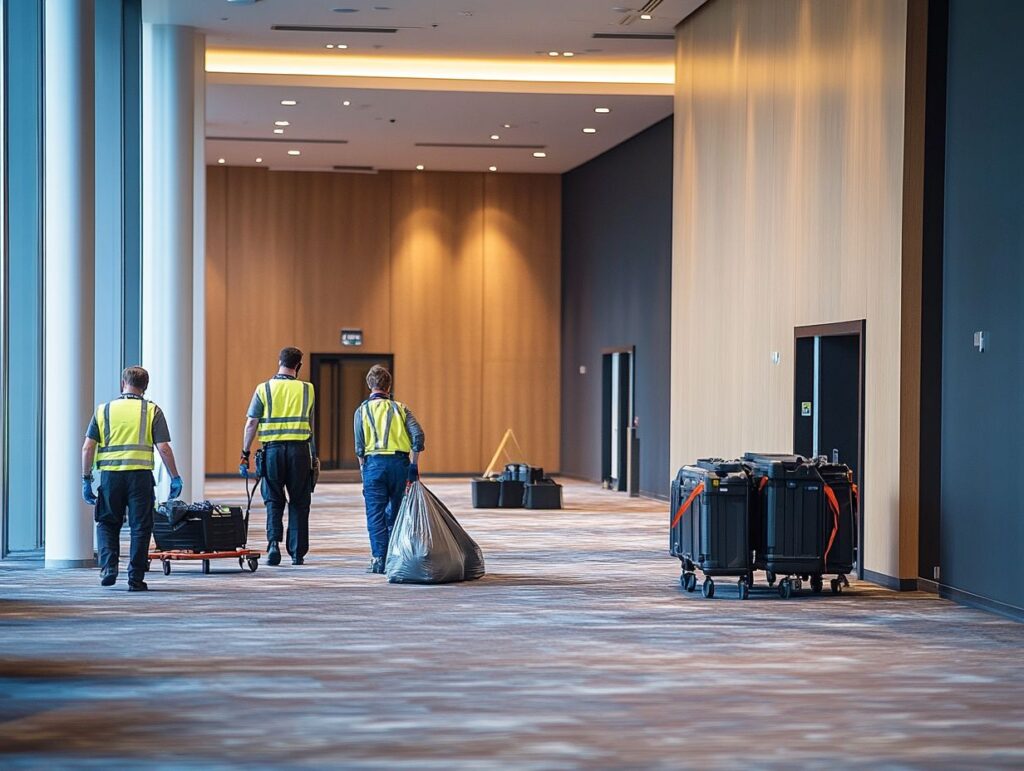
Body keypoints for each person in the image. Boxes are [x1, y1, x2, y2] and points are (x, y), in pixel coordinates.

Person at [81, 366, 183, 591]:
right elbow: (164, 448)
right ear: (145, 387)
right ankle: (135, 579)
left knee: (107, 522)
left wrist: (86, 478)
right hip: (140, 478)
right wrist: (174, 477)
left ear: (122, 383)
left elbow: (88, 447)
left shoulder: (103, 410)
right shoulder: (152, 411)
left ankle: (109, 568)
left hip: (110, 478)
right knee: (141, 527)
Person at [240, 346, 317, 566]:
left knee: (273, 499)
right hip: (300, 452)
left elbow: (251, 423)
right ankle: (297, 553)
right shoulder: (308, 389)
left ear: (279, 362)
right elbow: (310, 425)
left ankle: (273, 544)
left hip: (272, 452)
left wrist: (245, 453)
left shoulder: (264, 389)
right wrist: (314, 457)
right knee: (300, 501)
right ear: (299, 366)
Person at [355, 365, 425, 574]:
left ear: (369, 385)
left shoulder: (361, 411)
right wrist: (414, 464)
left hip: (373, 465)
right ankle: (395, 558)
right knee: (398, 513)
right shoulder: (401, 409)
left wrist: (363, 474)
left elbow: (359, 447)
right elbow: (418, 436)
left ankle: (379, 559)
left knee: (374, 514)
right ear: (389, 386)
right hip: (399, 465)